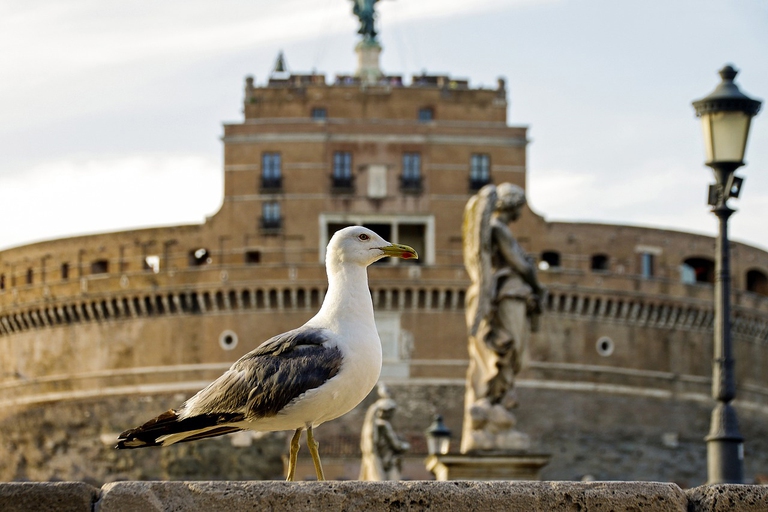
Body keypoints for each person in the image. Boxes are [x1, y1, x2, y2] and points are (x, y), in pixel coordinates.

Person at [461, 183, 544, 452]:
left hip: (515, 296)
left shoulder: (502, 230)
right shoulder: (497, 229)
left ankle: (496, 402)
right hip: (507, 296)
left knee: (515, 353)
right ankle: (489, 402)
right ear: (513, 205)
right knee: (506, 349)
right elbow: (518, 265)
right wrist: (537, 283)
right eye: (520, 205)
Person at [359, 384, 410, 480]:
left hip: (379, 460)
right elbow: (396, 445)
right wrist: (406, 446)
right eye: (390, 412)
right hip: (387, 462)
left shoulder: (372, 425)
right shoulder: (384, 424)